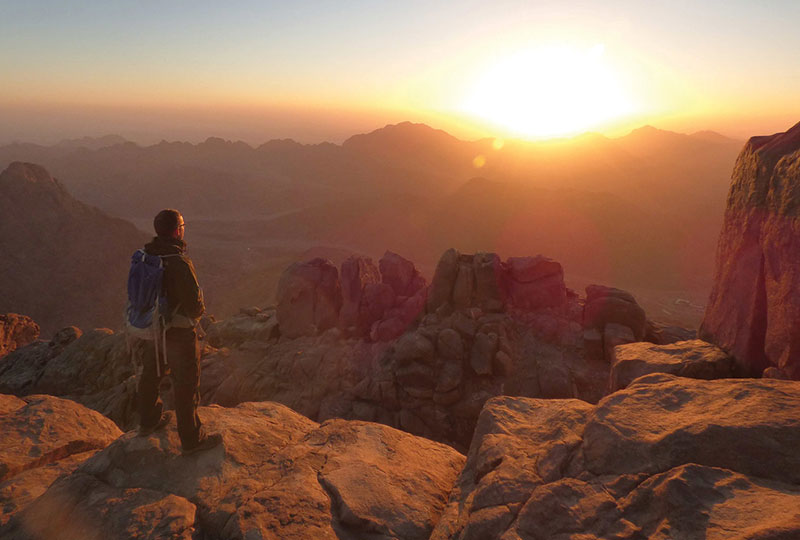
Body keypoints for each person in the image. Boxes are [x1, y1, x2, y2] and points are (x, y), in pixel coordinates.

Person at [136, 208, 222, 455]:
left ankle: (148, 420)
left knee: (151, 374)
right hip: (178, 333)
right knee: (185, 384)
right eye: (182, 226)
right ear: (177, 231)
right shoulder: (178, 261)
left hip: (153, 330)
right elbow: (195, 305)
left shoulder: (147, 255)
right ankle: (192, 440)